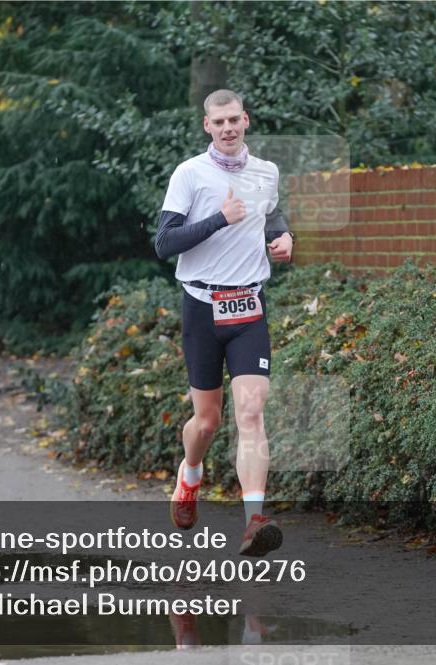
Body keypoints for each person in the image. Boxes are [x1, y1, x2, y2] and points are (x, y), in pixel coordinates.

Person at [154, 89, 294, 557]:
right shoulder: (190, 173)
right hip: (202, 306)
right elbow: (164, 243)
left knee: (250, 411)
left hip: (249, 306)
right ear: (207, 126)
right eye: (219, 122)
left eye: (234, 119)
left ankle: (254, 520)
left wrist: (284, 238)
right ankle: (190, 475)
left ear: (246, 120)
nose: (228, 128)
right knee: (208, 421)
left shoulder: (266, 172)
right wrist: (218, 218)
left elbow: (270, 215)